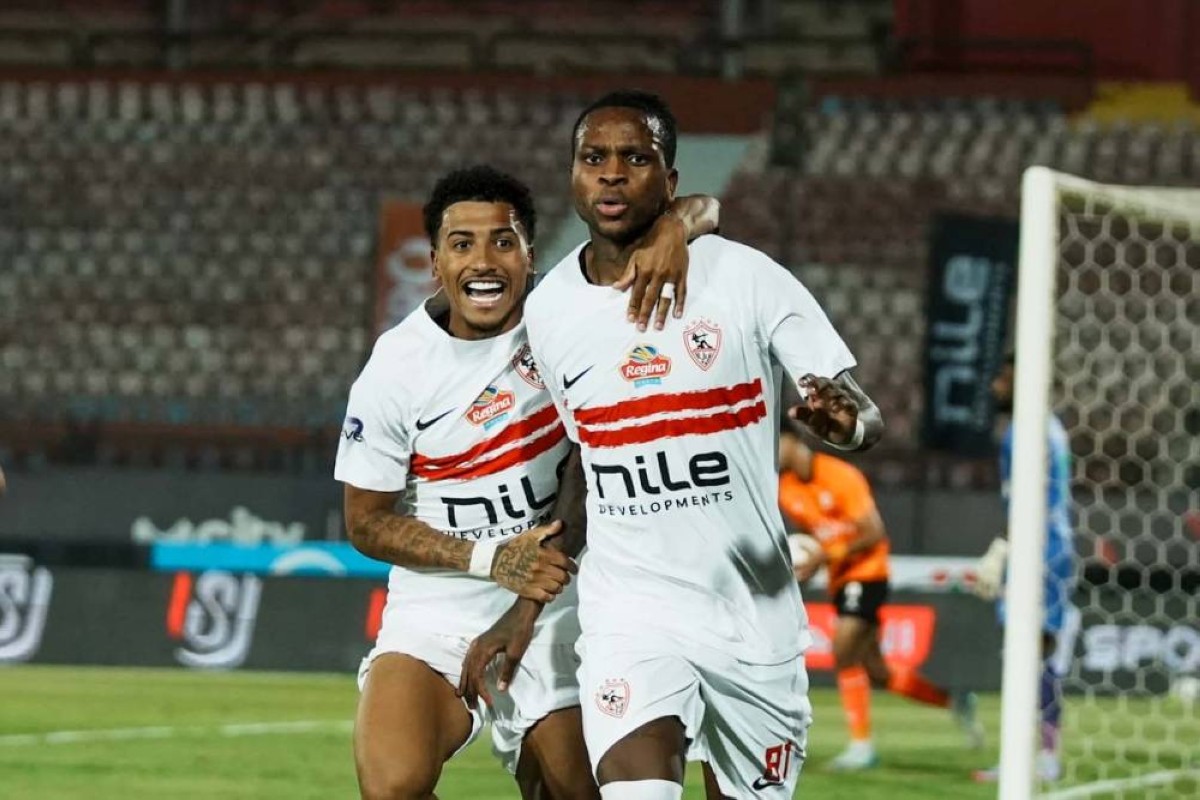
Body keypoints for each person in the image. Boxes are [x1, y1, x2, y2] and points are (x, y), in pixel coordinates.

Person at [516, 89, 883, 800]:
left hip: (753, 620)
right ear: (572, 174)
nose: (612, 173)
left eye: (636, 159)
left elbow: (860, 411)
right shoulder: (551, 310)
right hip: (631, 616)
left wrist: (850, 425)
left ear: (671, 180)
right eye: (594, 157)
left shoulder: (745, 277)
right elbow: (585, 459)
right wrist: (533, 594)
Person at [335, 165, 718, 800]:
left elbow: (707, 207)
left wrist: (675, 227)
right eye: (462, 244)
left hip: (558, 598)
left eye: (503, 241)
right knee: (391, 788)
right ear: (435, 263)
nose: (484, 262)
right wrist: (492, 560)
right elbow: (366, 523)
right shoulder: (396, 367)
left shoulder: (571, 313)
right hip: (436, 606)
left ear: (531, 255)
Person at [777, 423, 982, 771]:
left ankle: (861, 746)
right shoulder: (786, 490)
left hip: (869, 572)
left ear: (794, 440)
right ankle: (953, 701)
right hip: (841, 579)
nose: (773, 453)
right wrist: (811, 558)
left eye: (776, 444)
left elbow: (873, 532)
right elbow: (813, 538)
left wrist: (824, 555)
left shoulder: (840, 476)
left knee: (843, 648)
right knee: (878, 671)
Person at [971, 350, 1079, 783]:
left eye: (1004, 376)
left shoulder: (1030, 432)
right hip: (1048, 548)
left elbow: (1031, 500)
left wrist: (1004, 549)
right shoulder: (1044, 427)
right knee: (1034, 654)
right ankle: (1040, 753)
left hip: (1040, 550)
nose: (995, 385)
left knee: (1026, 650)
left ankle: (1033, 755)